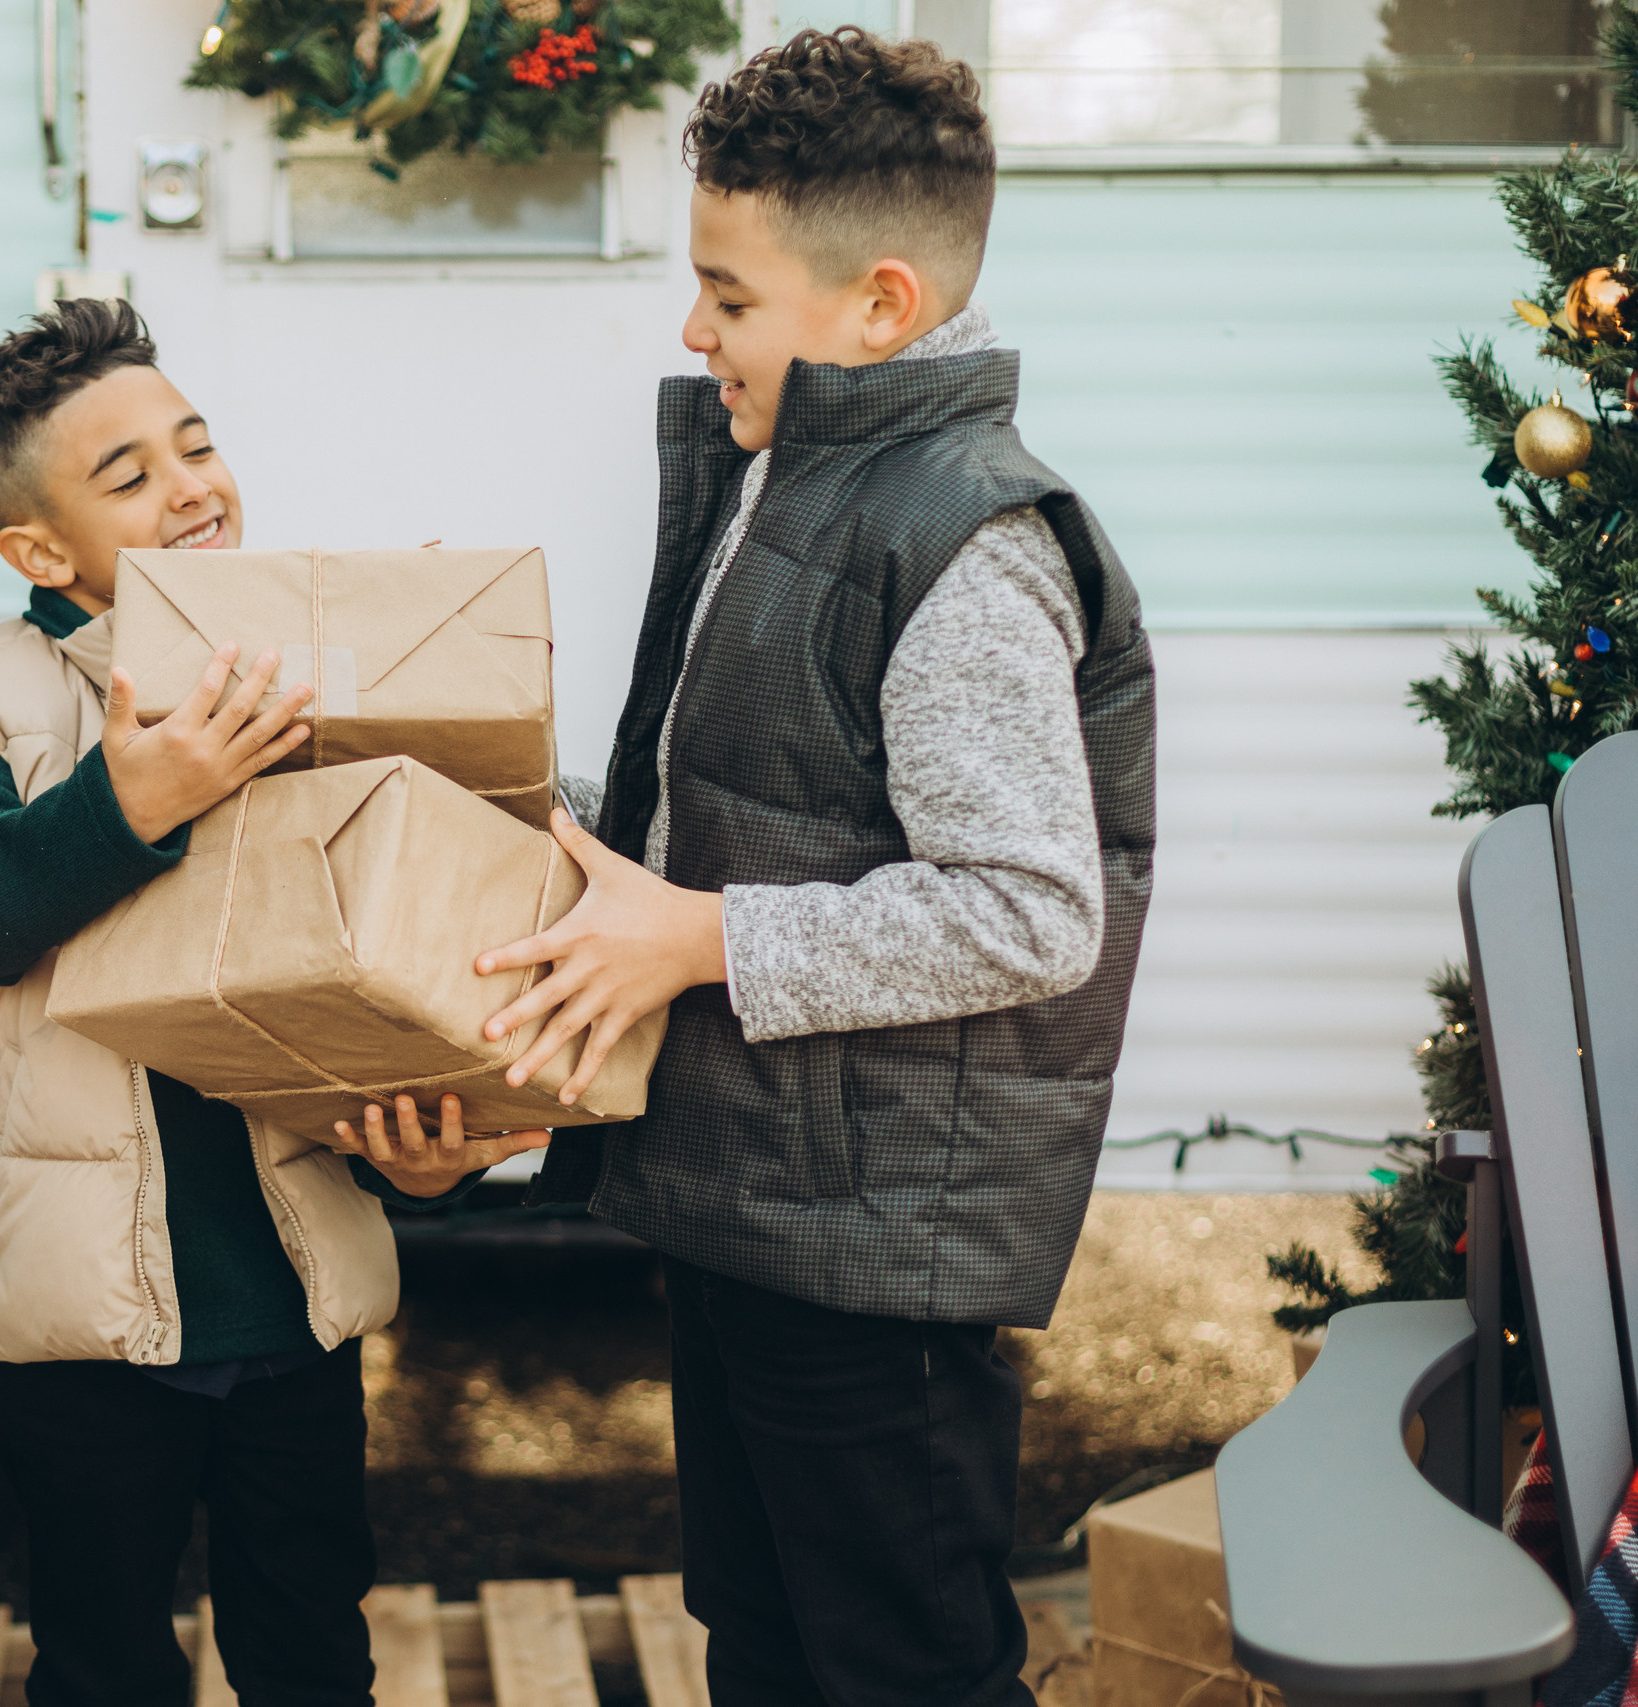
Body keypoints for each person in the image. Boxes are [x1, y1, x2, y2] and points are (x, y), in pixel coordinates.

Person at [464, 30, 1156, 1706]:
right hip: (762, 1202)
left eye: (727, 293)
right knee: (765, 1641)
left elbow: (1028, 907)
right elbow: (749, 798)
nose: (691, 329)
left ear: (881, 306)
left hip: (874, 1246)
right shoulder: (796, 476)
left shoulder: (966, 540)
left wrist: (699, 940)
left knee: (896, 1664)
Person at [0, 298, 541, 1707]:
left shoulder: (308, 664)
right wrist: (132, 796)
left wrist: (421, 1155)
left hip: (288, 1295)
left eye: (196, 445)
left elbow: (392, 945)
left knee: (311, 1642)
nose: (191, 485)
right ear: (39, 548)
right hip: (76, 1326)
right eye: (128, 475)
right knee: (105, 1654)